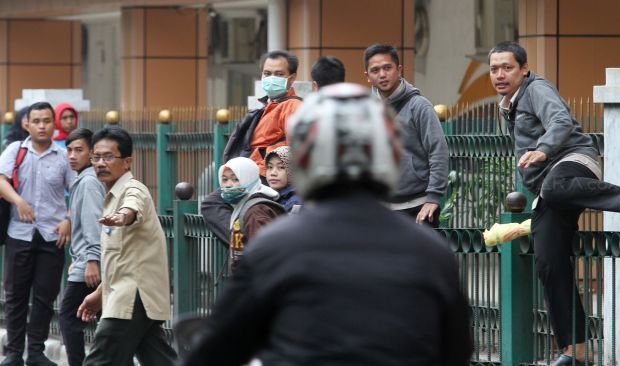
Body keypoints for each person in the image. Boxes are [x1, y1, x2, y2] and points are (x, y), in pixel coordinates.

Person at [181, 83, 472, 366]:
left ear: (304, 159)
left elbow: (218, 348)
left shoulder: (274, 247)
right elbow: (456, 350)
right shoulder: (429, 251)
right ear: (393, 156)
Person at [489, 41, 620, 366]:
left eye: (507, 67)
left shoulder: (536, 89)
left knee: (556, 185)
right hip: (550, 186)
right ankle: (576, 350)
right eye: (494, 69)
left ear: (523, 69)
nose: (500, 74)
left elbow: (561, 122)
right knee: (548, 261)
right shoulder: (509, 104)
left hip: (574, 161)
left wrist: (544, 150)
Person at [76, 126, 177, 366]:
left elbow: (133, 206)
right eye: (96, 157)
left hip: (132, 299)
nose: (101, 163)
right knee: (159, 360)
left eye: (109, 157)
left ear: (127, 161)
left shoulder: (134, 189)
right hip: (131, 296)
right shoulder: (110, 197)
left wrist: (123, 216)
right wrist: (99, 294)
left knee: (100, 361)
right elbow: (121, 259)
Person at [0, 102, 76, 366]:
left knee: (45, 296)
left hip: (52, 235)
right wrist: (19, 202)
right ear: (26, 124)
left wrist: (68, 220)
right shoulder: (15, 150)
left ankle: (35, 352)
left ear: (53, 124)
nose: (42, 126)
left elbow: (76, 190)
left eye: (46, 121)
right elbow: (1, 180)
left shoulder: (63, 156)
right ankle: (13, 353)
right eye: (37, 121)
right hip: (18, 234)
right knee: (16, 295)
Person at [363, 43, 449, 227]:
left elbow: (438, 150)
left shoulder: (419, 106)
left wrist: (433, 198)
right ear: (367, 76)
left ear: (399, 69)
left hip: (418, 206)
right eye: (375, 70)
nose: (382, 74)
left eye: (387, 68)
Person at [58, 128, 104, 366]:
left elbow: (92, 223)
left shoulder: (88, 182)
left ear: (91, 153)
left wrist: (91, 261)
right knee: (104, 320)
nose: (72, 156)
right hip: (85, 262)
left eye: (79, 150)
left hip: (90, 266)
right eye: (69, 150)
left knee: (69, 318)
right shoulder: (84, 180)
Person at [222, 50, 302, 177]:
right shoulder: (266, 106)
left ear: (292, 78)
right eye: (267, 73)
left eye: (279, 74)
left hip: (266, 175)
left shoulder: (293, 107)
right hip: (247, 172)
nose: (271, 78)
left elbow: (295, 148)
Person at [217, 157, 285, 272]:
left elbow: (264, 255)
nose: (228, 185)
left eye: (235, 179)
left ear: (248, 179)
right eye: (225, 179)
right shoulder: (243, 206)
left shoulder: (256, 211)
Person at [264, 145, 302, 212]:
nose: (273, 173)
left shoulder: (295, 201)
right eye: (270, 167)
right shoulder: (271, 196)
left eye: (281, 167)